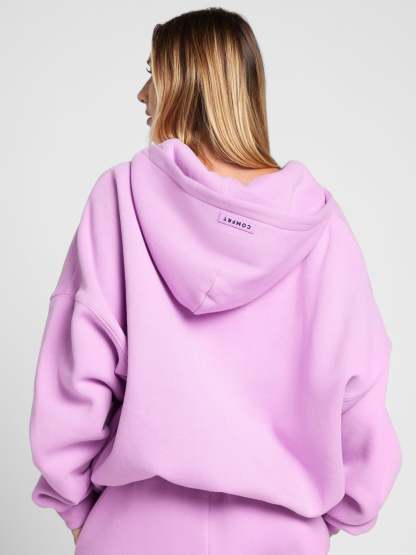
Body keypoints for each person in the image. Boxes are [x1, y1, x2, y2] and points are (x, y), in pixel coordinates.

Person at [29, 7, 402, 555]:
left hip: (133, 531)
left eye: (153, 73)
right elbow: (360, 393)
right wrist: (333, 517)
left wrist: (76, 508)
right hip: (282, 538)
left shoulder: (120, 198)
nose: (142, 94)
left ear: (188, 84)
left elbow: (78, 372)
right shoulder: (320, 226)